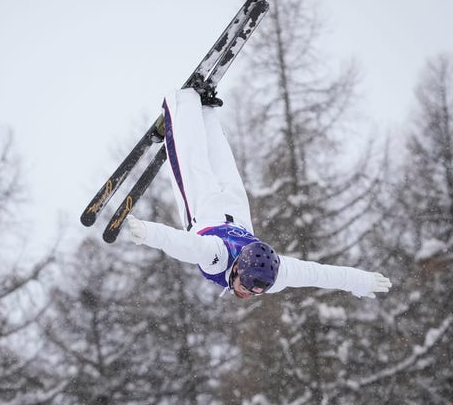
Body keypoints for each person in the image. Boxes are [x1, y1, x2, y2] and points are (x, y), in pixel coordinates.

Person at [127, 88, 392, 299]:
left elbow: (320, 275)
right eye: (247, 286)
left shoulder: (276, 276)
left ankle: (205, 110)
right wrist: (149, 233)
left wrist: (362, 282)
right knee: (191, 161)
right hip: (206, 209)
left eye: (256, 291)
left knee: (218, 159)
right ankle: (183, 104)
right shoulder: (216, 256)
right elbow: (183, 245)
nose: (247, 293)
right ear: (239, 269)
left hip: (235, 210)